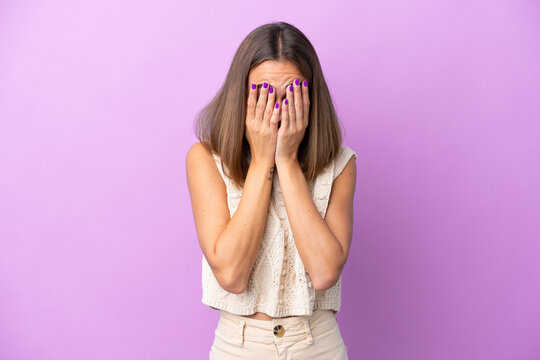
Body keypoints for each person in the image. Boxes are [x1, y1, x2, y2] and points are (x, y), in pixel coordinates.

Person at [186, 21, 357, 359]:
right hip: (239, 346)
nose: (277, 110)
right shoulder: (206, 159)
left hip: (317, 345)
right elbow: (232, 276)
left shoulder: (341, 164)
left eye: (291, 93)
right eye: (263, 94)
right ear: (242, 93)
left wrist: (288, 161)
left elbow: (324, 272)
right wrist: (263, 160)